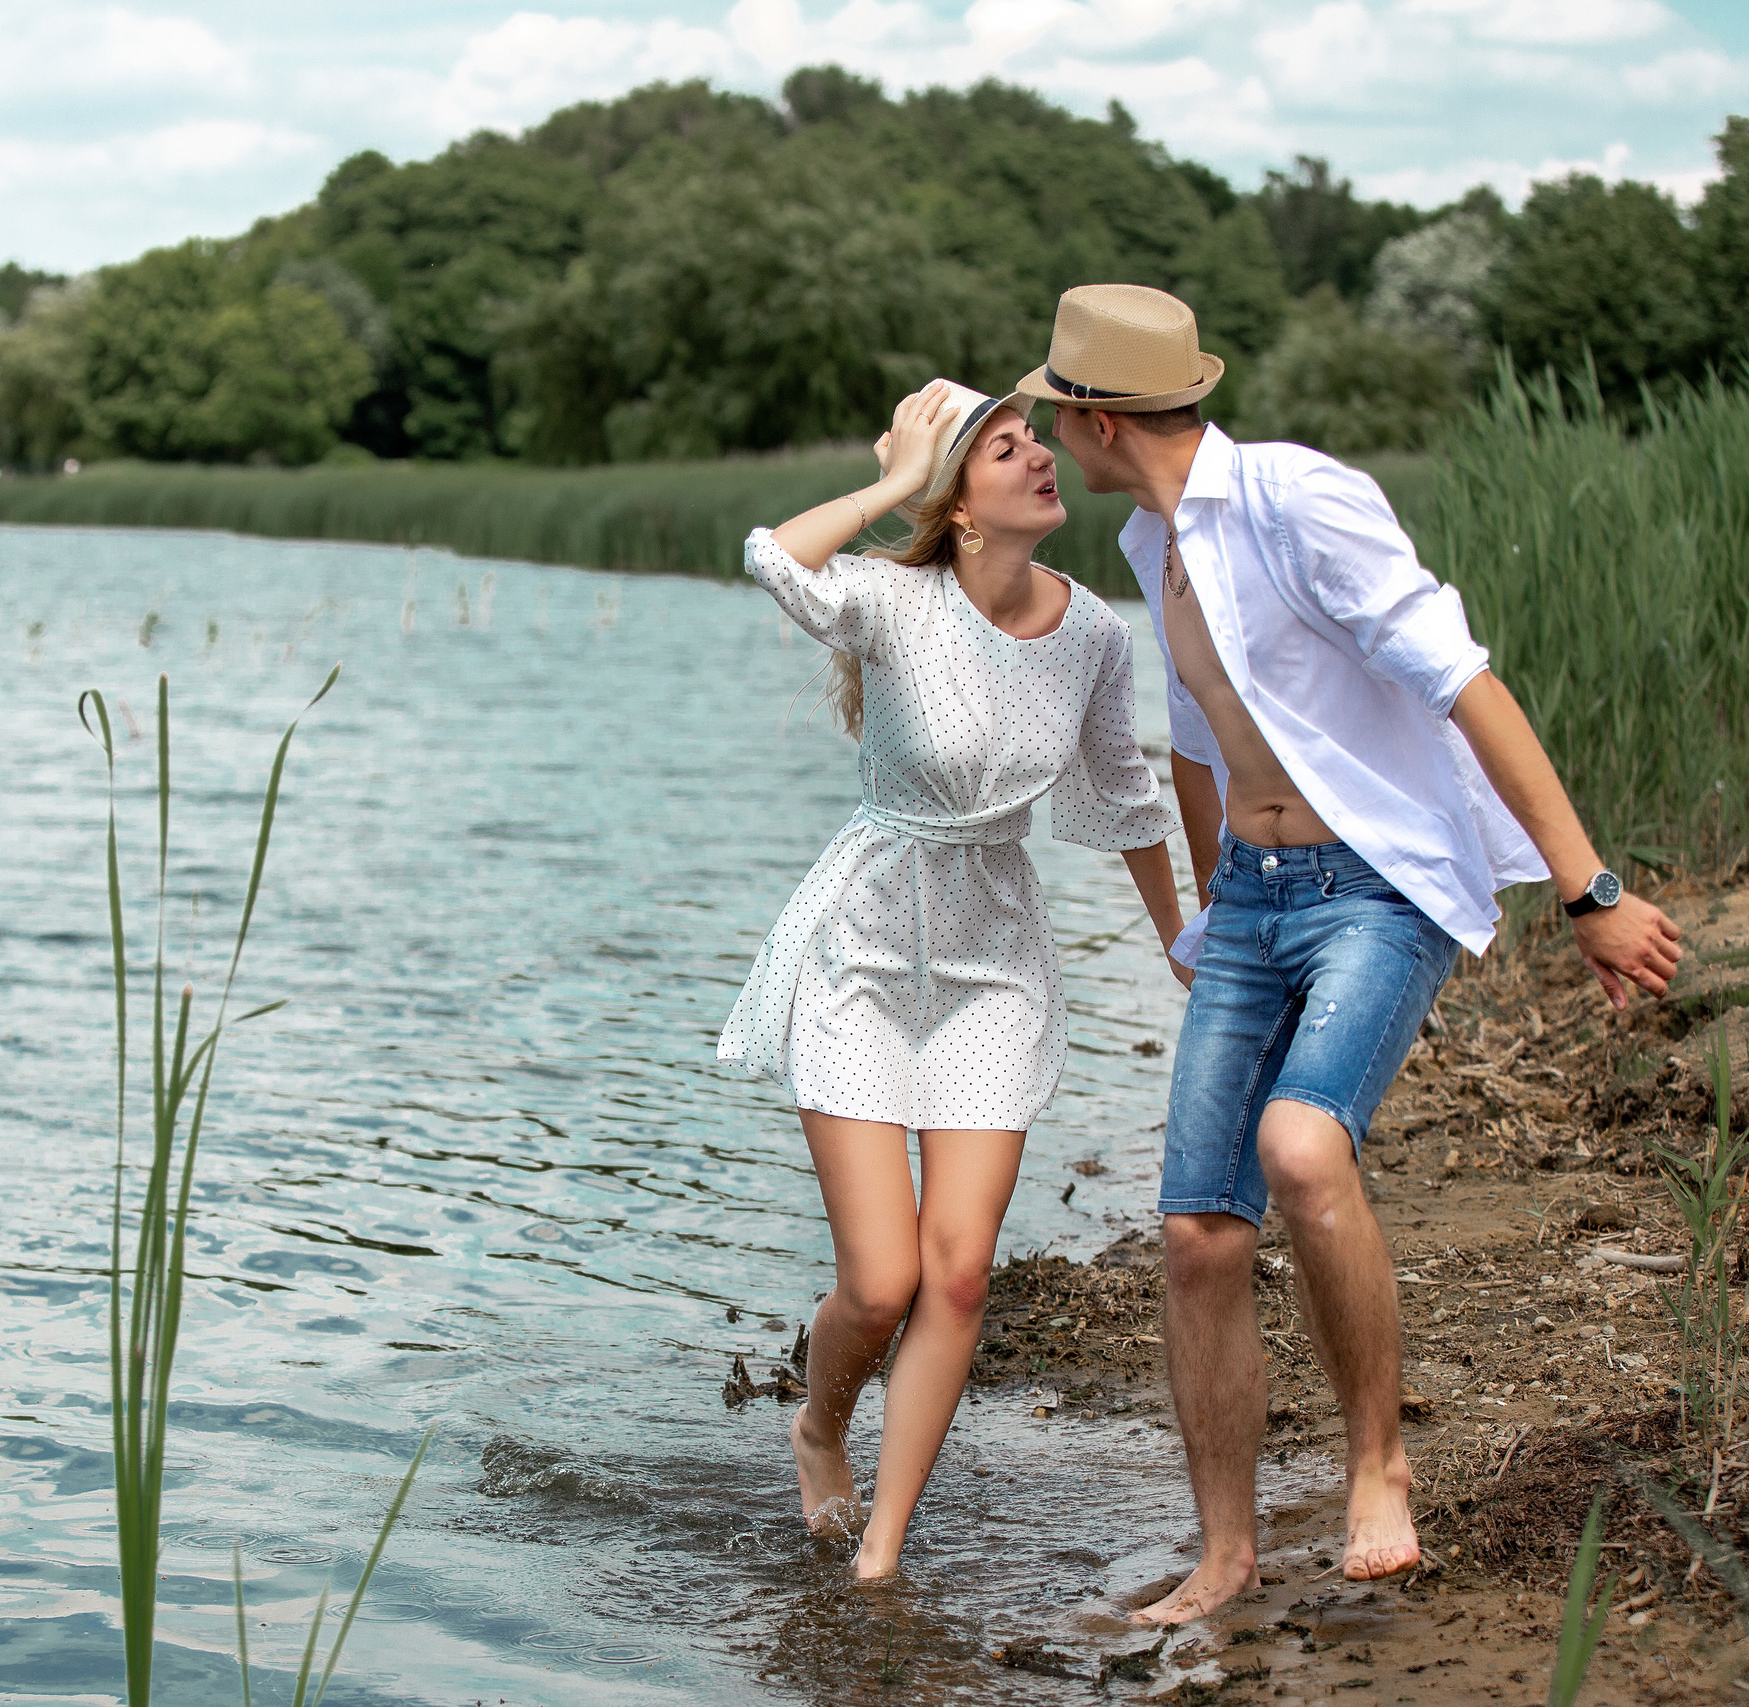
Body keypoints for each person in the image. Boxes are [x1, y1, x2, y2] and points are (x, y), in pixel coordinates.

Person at [1012, 284, 1684, 1621]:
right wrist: (1212, 916)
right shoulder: (1154, 541)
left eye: (1052, 409)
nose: (1045, 432)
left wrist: (1588, 885)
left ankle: (1379, 1461)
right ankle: (1226, 1553)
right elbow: (1205, 738)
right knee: (1200, 1233)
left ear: (1096, 418)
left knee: (1304, 1146)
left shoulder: (1295, 499)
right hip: (1255, 899)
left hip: (1377, 882)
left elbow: (1463, 678)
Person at [721, 378, 1189, 1580]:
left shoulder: (1091, 632)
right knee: (879, 1285)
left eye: (1037, 440)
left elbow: (1126, 796)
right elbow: (772, 557)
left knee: (961, 1271)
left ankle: (882, 1550)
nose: (1039, 456)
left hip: (994, 964)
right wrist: (892, 481)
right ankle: (820, 1426)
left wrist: (1178, 936)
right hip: (865, 957)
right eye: (1004, 447)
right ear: (959, 502)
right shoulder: (891, 600)